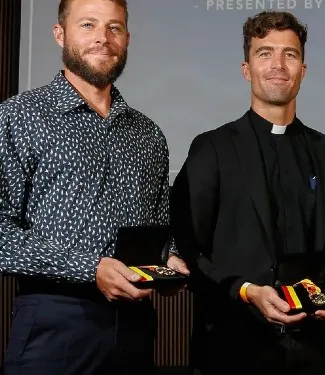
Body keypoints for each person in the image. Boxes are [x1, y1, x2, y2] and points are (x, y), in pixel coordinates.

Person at [169, 10, 325, 375]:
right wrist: (245, 290)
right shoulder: (212, 149)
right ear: (246, 69)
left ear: (303, 70)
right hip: (232, 348)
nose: (278, 64)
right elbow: (189, 250)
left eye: (289, 54)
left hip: (316, 351)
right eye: (265, 53)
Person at [0, 0, 189, 374]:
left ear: (127, 39)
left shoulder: (148, 134)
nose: (103, 38)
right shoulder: (18, 116)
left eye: (114, 28)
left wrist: (169, 260)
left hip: (135, 326)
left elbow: (160, 227)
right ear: (60, 34)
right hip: (54, 323)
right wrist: (90, 268)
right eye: (88, 25)